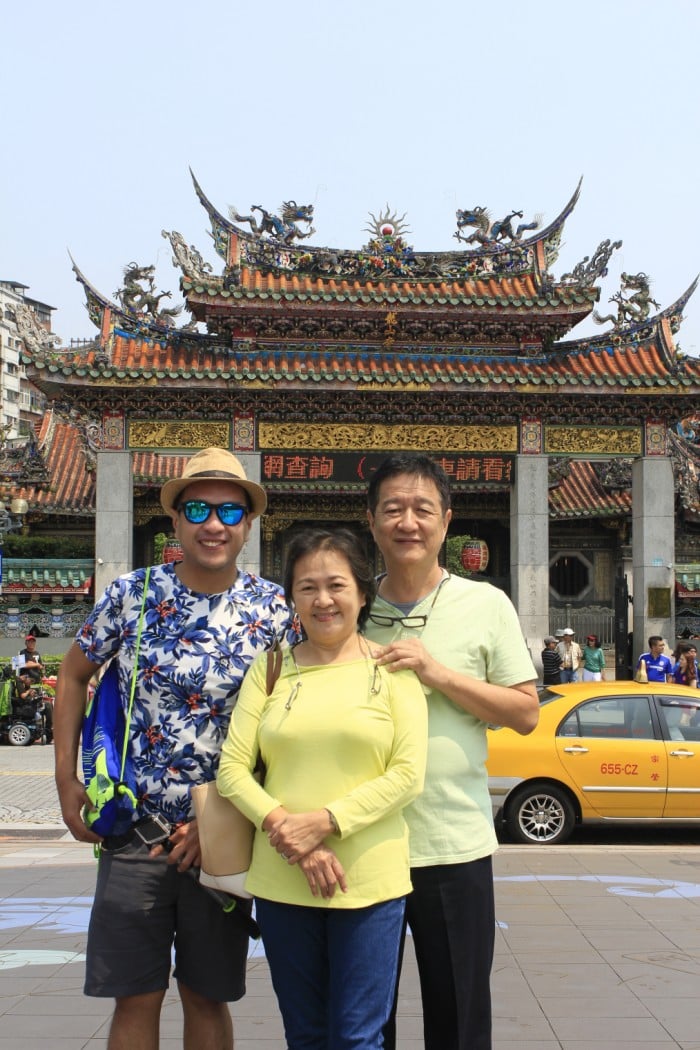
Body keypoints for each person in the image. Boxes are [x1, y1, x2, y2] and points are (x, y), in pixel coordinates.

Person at [53, 447, 297, 1050]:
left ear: (247, 524)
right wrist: (66, 782)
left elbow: (290, 722)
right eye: (197, 508)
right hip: (134, 830)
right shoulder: (133, 595)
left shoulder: (272, 610)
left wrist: (236, 818)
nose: (213, 523)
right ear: (176, 521)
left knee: (206, 996)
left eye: (229, 512)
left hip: (222, 838)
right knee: (134, 996)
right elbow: (72, 675)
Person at [217, 527, 428, 1049]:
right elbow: (233, 770)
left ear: (362, 593)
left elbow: (407, 775)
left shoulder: (393, 672)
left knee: (359, 1037)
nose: (323, 600)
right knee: (305, 1034)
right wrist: (287, 831)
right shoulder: (270, 669)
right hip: (282, 880)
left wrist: (325, 822)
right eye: (307, 587)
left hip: (369, 882)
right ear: (292, 598)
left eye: (336, 585)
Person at [364, 453, 539, 1050]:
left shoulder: (486, 604)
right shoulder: (349, 610)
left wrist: (436, 672)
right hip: (364, 846)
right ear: (372, 521)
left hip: (453, 843)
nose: (407, 522)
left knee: (460, 1015)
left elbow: (524, 712)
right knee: (365, 1019)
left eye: (422, 509)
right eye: (393, 509)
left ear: (446, 520)